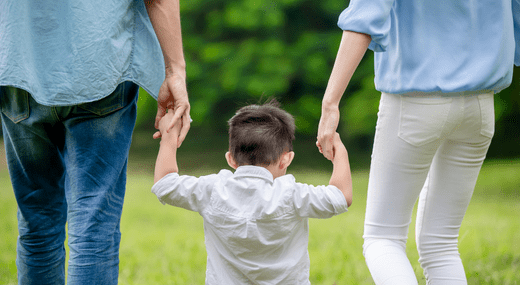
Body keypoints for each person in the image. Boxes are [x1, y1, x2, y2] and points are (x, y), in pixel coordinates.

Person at [316, 0, 519, 284]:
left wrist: (330, 104)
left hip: (414, 102)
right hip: (481, 105)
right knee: (442, 245)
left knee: (382, 238)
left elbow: (364, 17)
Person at [0, 0, 190, 284]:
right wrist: (175, 70)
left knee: (37, 223)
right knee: (94, 224)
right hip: (100, 66)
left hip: (18, 67)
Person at [152, 100, 352, 284]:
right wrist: (338, 149)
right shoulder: (291, 195)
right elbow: (341, 196)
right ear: (286, 159)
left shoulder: (214, 190)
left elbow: (164, 184)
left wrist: (169, 136)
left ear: (231, 159)